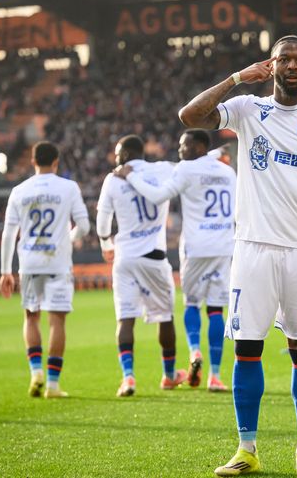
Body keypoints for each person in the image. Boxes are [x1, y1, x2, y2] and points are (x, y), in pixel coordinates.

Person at [178, 34, 297, 477]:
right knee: (247, 346)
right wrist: (238, 78)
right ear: (272, 65)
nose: (292, 64)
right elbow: (190, 116)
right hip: (252, 248)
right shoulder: (247, 108)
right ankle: (246, 449)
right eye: (284, 58)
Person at [125, 129, 235, 392]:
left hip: (196, 247)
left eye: (184, 145)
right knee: (217, 309)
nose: (179, 149)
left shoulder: (186, 170)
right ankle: (215, 376)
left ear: (198, 146)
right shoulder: (229, 173)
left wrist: (129, 175)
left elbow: (157, 196)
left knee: (192, 304)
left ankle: (195, 350)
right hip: (223, 246)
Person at [97, 134, 188, 397]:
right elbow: (188, 169)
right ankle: (169, 375)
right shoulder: (163, 169)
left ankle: (128, 378)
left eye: (117, 155)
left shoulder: (113, 179)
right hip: (154, 257)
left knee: (125, 318)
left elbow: (103, 223)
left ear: (125, 155)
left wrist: (106, 243)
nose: (115, 160)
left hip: (124, 258)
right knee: (165, 317)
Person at [0, 141, 90, 398]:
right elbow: (83, 226)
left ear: (32, 161)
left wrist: (6, 270)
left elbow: (9, 234)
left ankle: (35, 370)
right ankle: (52, 384)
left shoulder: (19, 190)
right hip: (58, 261)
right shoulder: (68, 187)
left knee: (31, 317)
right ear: (56, 162)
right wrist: (68, 239)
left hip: (29, 263)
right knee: (57, 321)